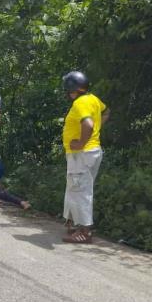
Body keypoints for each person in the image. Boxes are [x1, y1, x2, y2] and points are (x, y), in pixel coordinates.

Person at [61, 70, 109, 244]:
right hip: (91, 152)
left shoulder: (80, 103)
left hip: (82, 153)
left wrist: (81, 142)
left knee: (81, 190)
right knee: (76, 187)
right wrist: (96, 129)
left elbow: (87, 124)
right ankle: (73, 223)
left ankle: (85, 231)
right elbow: (106, 112)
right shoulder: (93, 99)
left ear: (72, 89)